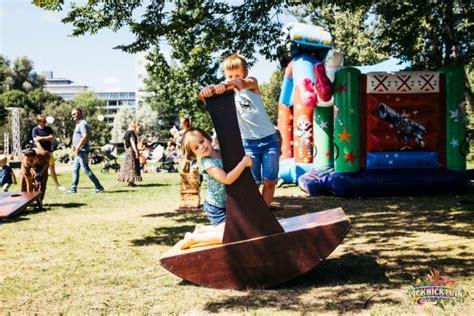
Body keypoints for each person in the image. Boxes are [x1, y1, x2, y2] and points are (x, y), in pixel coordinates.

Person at [199, 53, 280, 207]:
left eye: (237, 74)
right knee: (253, 183)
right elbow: (205, 97)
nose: (233, 78)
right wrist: (207, 91)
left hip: (269, 139)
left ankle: (265, 214)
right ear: (224, 75)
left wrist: (226, 84)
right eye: (229, 75)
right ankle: (255, 216)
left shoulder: (252, 83)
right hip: (248, 143)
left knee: (270, 181)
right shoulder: (225, 92)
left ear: (245, 73)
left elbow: (241, 84)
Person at [180, 127, 252, 249]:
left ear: (208, 138)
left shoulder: (220, 152)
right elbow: (227, 179)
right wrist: (243, 164)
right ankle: (193, 239)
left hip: (227, 203)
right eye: (196, 148)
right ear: (194, 154)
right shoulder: (208, 164)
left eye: (202, 141)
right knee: (228, 236)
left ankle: (202, 229)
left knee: (242, 229)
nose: (202, 147)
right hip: (216, 207)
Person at [68, 108, 104, 194]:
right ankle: (73, 188)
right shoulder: (79, 124)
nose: (73, 116)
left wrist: (77, 148)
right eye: (72, 114)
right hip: (79, 150)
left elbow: (85, 136)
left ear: (80, 113)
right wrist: (74, 146)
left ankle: (99, 187)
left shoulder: (83, 124)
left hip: (82, 150)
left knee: (85, 169)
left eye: (74, 114)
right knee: (75, 170)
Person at [32, 114, 65, 190]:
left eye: (45, 121)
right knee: (38, 169)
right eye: (42, 121)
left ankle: (57, 185)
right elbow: (36, 141)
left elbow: (52, 137)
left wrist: (41, 137)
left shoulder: (48, 128)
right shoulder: (35, 129)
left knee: (52, 168)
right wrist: (42, 150)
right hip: (39, 153)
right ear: (38, 121)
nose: (44, 122)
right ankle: (35, 186)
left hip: (49, 152)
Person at [117, 120, 142, 187]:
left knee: (128, 166)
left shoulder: (126, 132)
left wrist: (126, 150)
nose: (138, 129)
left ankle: (130, 182)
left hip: (128, 151)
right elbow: (133, 143)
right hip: (132, 150)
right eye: (138, 127)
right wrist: (136, 152)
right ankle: (131, 182)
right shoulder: (131, 132)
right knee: (132, 166)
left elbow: (124, 143)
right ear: (135, 126)